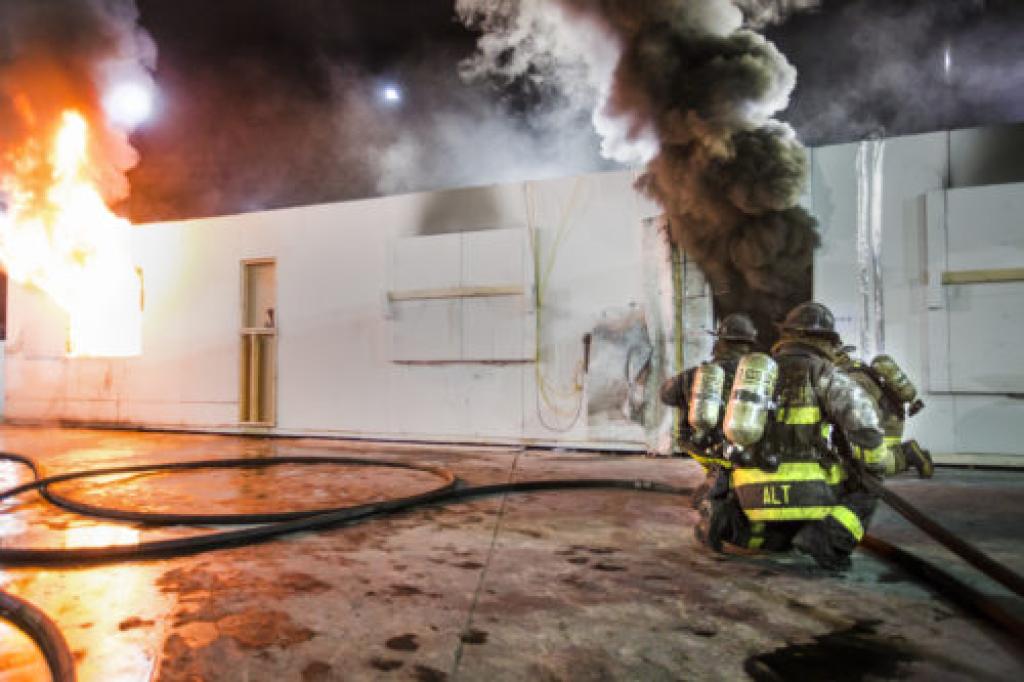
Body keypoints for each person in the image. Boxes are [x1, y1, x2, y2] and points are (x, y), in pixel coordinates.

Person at [696, 301, 885, 571]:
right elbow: (865, 424)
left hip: (749, 492)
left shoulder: (754, 374)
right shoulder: (823, 372)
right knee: (870, 485)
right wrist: (873, 464)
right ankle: (827, 543)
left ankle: (726, 521)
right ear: (824, 340)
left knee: (777, 540)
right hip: (810, 494)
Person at [660, 313, 758, 470]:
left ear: (720, 341)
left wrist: (689, 394)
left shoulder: (698, 374)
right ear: (748, 345)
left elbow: (666, 396)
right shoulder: (755, 379)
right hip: (740, 453)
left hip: (701, 447)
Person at [835, 346, 934, 479]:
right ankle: (902, 453)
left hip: (886, 424)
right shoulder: (854, 370)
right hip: (887, 420)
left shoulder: (852, 378)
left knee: (872, 468)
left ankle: (908, 453)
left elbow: (863, 411)